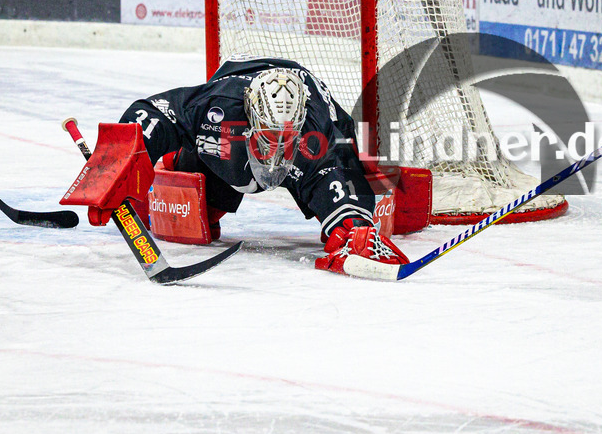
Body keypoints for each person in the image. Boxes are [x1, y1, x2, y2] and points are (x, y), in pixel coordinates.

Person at [117, 55, 408, 274]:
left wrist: (354, 226)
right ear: (252, 122)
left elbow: (336, 176)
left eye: (287, 139)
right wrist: (121, 161)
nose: (277, 150)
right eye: (270, 137)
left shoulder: (317, 131)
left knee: (345, 214)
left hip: (319, 120)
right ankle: (174, 163)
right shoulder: (218, 107)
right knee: (197, 219)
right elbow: (152, 111)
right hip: (237, 83)